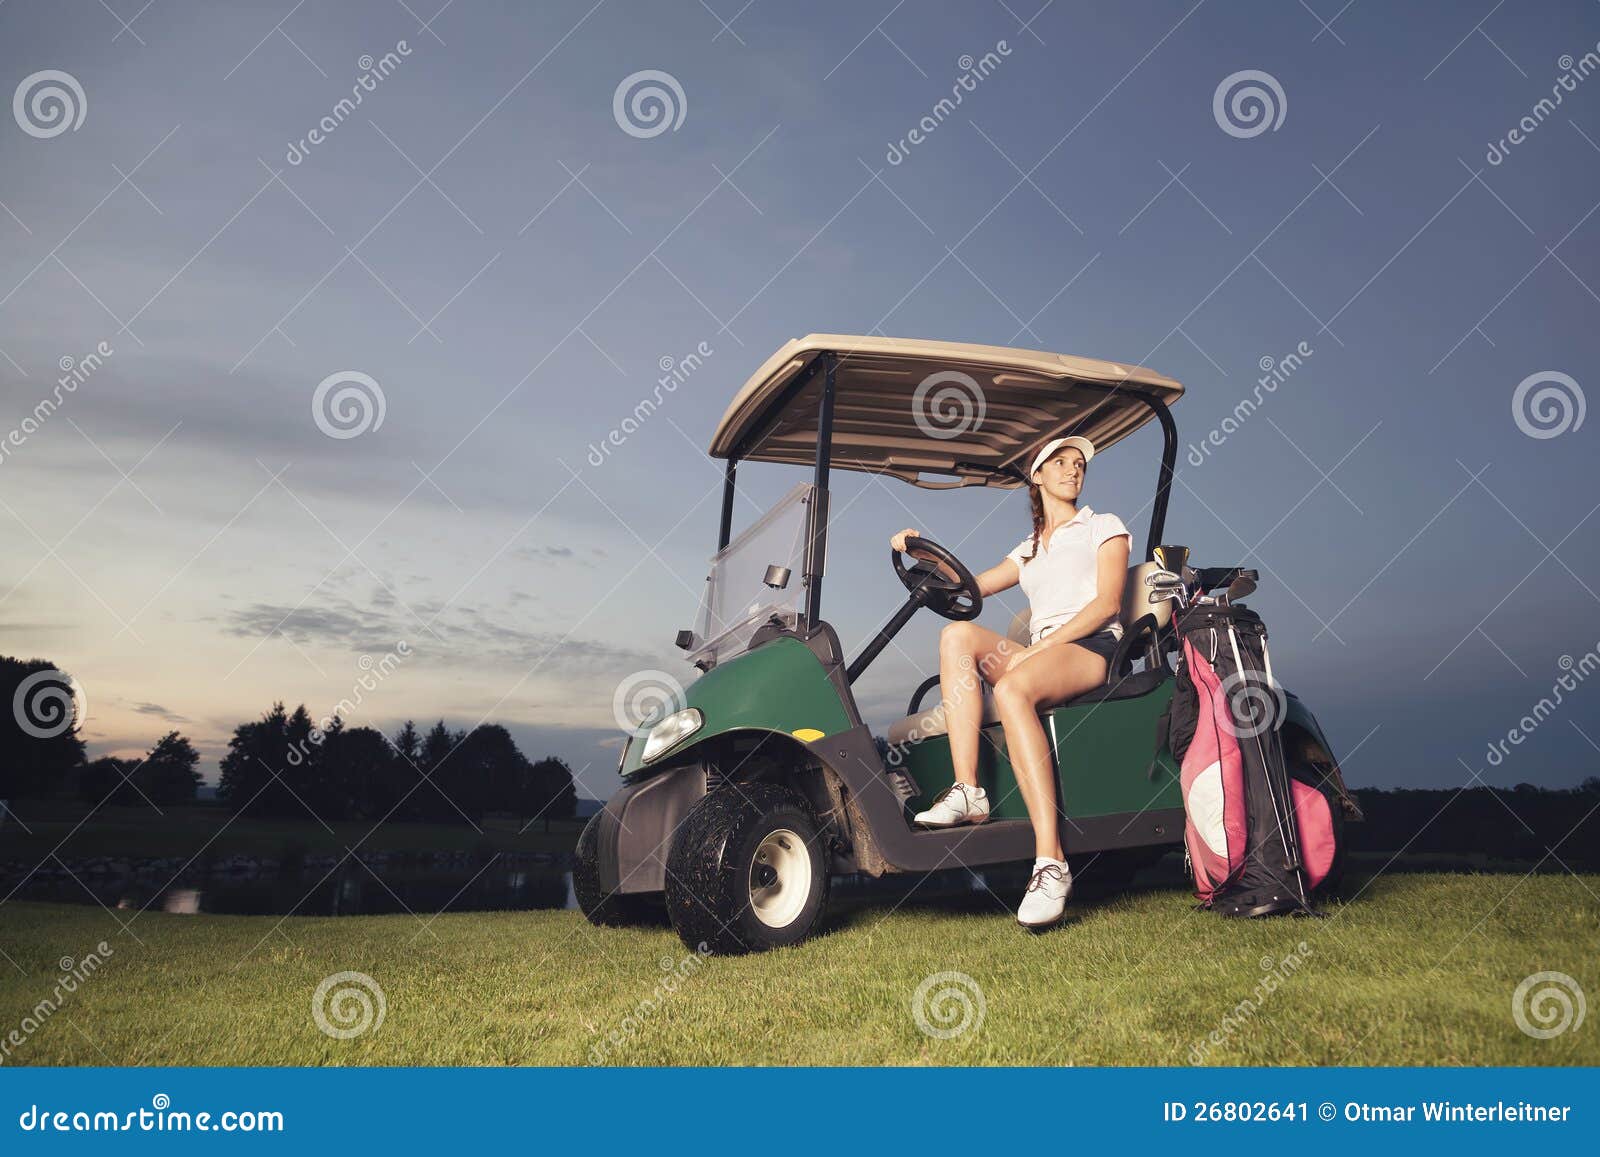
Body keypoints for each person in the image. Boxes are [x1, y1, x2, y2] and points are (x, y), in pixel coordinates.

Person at [888, 435, 1131, 929]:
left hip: (1090, 649)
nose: (1072, 470)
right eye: (1060, 463)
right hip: (1042, 651)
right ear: (1037, 476)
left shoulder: (1103, 527)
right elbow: (968, 586)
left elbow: (1107, 604)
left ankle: (1051, 863)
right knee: (957, 634)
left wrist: (1044, 646)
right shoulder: (1029, 549)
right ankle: (969, 789)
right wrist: (915, 550)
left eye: (1078, 463)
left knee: (1011, 688)